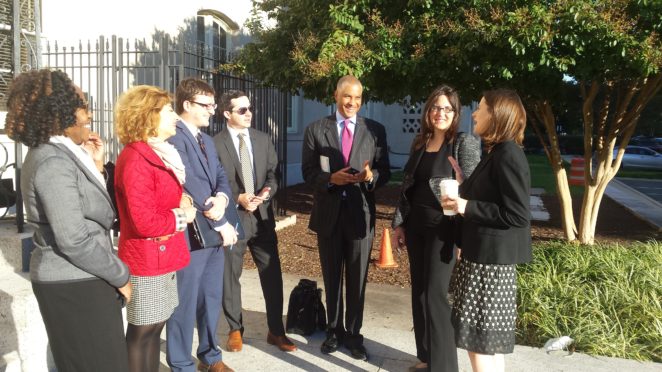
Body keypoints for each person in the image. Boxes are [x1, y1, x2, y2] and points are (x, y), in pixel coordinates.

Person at [6, 69, 131, 372]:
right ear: (60, 112)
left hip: (82, 277)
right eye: (82, 105)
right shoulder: (52, 160)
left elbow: (90, 208)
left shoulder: (64, 154)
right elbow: (73, 239)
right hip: (74, 281)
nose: (88, 115)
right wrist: (121, 275)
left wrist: (97, 167)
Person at [441, 89, 532, 372]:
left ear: (496, 115)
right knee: (485, 343)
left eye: (480, 109)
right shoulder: (497, 153)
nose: (474, 114)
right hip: (483, 259)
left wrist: (465, 205)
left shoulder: (509, 155)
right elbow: (491, 197)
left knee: (479, 342)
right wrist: (462, 183)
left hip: (490, 265)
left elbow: (517, 214)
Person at [392, 85, 481, 372]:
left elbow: (474, 188)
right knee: (419, 292)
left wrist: (464, 235)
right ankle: (427, 357)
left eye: (446, 108)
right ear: (428, 111)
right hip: (416, 227)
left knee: (436, 296)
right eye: (435, 107)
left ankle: (444, 367)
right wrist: (399, 224)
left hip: (444, 230)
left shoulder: (462, 142)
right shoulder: (420, 142)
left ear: (456, 113)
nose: (440, 113)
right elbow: (408, 187)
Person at [301, 75, 391, 361]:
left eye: (358, 98)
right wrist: (331, 179)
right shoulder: (316, 129)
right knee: (332, 278)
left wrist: (370, 176)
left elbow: (385, 171)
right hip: (329, 216)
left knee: (357, 280)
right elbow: (308, 172)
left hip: (360, 216)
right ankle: (333, 331)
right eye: (347, 97)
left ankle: (354, 335)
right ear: (336, 95)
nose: (352, 102)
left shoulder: (375, 130)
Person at [114, 85, 196, 372]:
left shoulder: (158, 152)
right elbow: (143, 220)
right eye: (169, 110)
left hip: (162, 257)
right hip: (146, 260)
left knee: (154, 330)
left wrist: (179, 200)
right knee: (142, 334)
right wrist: (181, 215)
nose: (175, 115)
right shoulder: (136, 157)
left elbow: (159, 198)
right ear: (149, 115)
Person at [213, 90, 297, 353]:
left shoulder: (262, 140)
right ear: (227, 114)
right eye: (242, 110)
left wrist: (264, 194)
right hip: (233, 219)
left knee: (272, 274)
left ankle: (276, 331)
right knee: (230, 276)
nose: (249, 113)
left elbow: (274, 174)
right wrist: (238, 197)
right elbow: (216, 181)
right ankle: (235, 329)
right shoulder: (215, 143)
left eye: (249, 108)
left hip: (262, 218)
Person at [166, 78, 238, 372]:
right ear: (187, 105)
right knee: (184, 302)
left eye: (213, 104)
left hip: (212, 232)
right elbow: (189, 183)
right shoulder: (174, 137)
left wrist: (222, 197)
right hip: (192, 234)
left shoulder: (206, 139)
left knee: (210, 297)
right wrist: (220, 220)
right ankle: (181, 363)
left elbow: (219, 174)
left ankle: (210, 356)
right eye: (206, 105)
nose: (212, 110)